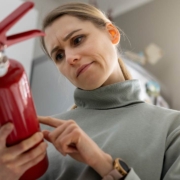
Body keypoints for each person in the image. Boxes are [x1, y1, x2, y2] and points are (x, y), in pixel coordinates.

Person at [1, 2, 180, 180]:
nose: (70, 58)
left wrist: (103, 163)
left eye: (77, 40)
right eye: (59, 56)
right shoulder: (43, 134)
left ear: (112, 33)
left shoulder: (172, 127)